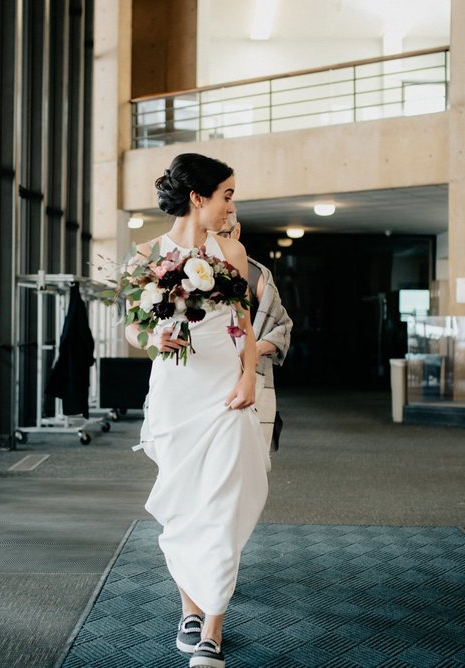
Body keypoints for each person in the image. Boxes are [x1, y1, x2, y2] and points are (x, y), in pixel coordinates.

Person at [126, 153, 268, 668]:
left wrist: (250, 376)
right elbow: (132, 327)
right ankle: (192, 608)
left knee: (225, 504)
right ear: (198, 197)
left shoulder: (233, 252)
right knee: (185, 507)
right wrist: (152, 335)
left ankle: (213, 626)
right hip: (176, 391)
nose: (232, 203)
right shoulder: (145, 254)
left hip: (226, 390)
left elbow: (246, 327)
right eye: (227, 193)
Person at [217, 217, 292, 450]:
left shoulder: (256, 274)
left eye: (224, 235)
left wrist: (255, 348)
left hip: (244, 372)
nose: (218, 244)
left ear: (236, 232)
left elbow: (283, 326)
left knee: (241, 448)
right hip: (208, 370)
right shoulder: (191, 268)